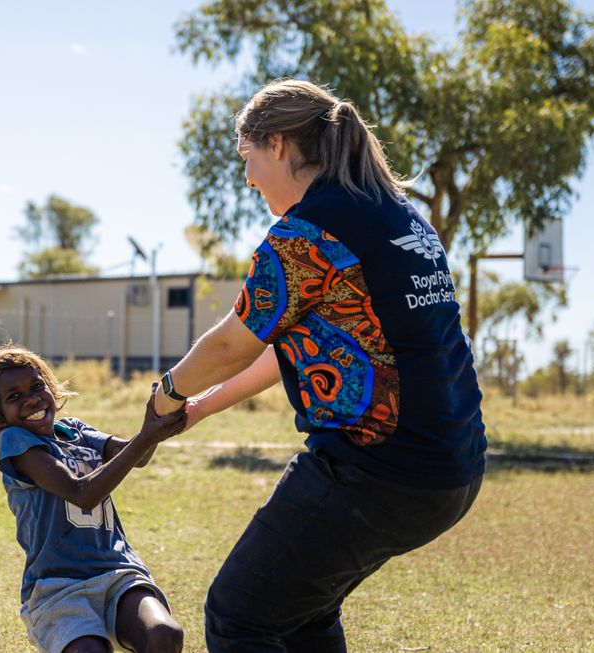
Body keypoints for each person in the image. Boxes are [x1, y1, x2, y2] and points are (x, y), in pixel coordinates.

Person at [152, 79, 488, 652]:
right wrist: (199, 408)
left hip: (377, 467)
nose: (248, 177)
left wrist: (166, 392)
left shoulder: (309, 232)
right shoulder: (397, 215)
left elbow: (233, 344)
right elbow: (291, 349)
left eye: (248, 156)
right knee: (300, 613)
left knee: (239, 616)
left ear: (278, 144)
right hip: (451, 465)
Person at [0, 344, 188, 653]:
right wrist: (147, 435)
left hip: (118, 572)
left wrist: (159, 416)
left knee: (164, 635)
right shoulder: (15, 440)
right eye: (14, 396)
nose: (31, 399)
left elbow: (137, 456)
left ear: (49, 385)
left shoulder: (74, 430)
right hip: (59, 585)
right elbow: (82, 493)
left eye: (37, 387)